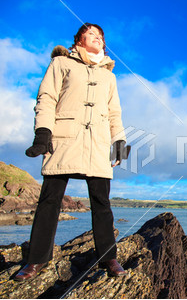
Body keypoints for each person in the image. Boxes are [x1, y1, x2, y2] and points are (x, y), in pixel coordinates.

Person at [15, 23, 131, 282]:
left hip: (98, 142)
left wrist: (119, 143)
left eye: (101, 36)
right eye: (92, 34)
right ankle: (36, 260)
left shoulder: (109, 77)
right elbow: (46, 98)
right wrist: (43, 133)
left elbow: (114, 113)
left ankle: (109, 257)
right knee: (49, 201)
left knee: (102, 203)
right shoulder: (61, 63)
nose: (98, 38)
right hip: (64, 138)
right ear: (79, 40)